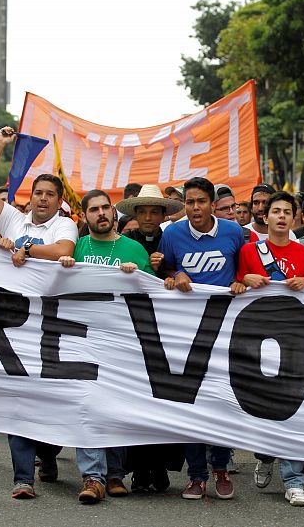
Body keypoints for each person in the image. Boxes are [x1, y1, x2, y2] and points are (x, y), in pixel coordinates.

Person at [0, 127, 78, 499]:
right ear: (29, 198)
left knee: (52, 401)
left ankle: (47, 453)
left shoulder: (64, 224)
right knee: (20, 400)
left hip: (53, 327)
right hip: (15, 324)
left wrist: (26, 251)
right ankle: (22, 478)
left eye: (50, 194)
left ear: (59, 200)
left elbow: (62, 249)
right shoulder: (15, 221)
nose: (43, 199)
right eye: (38, 194)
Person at [59, 189, 154, 504]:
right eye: (93, 210)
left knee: (113, 408)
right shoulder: (78, 247)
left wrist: (138, 275)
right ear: (84, 216)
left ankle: (114, 473)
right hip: (81, 342)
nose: (100, 214)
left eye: (104, 208)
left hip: (121, 344)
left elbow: (156, 296)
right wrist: (63, 269)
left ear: (113, 213)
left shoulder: (134, 249)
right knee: (86, 405)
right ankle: (93, 477)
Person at [156, 176, 244, 500]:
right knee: (189, 404)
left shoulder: (234, 232)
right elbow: (161, 272)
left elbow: (242, 270)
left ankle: (220, 467)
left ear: (212, 204)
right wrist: (174, 273)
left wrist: (238, 283)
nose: (195, 208)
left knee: (220, 402)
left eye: (201, 201)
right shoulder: (173, 234)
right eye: (189, 202)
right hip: (184, 333)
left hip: (223, 332)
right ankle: (196, 475)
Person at [231, 191, 304, 507]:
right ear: (265, 217)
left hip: (292, 339)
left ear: (294, 217)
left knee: (291, 410)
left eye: (286, 211)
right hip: (258, 339)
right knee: (265, 408)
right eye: (274, 211)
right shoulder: (250, 250)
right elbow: (236, 287)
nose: (280, 216)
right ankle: (265, 455)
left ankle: (294, 481)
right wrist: (244, 279)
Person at [115, 184, 185, 492]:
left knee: (164, 401)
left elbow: (182, 272)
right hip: (132, 330)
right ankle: (138, 469)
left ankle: (160, 467)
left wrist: (167, 273)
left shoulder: (171, 240)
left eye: (153, 211)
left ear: (161, 214)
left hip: (167, 331)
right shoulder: (125, 242)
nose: (147, 217)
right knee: (136, 401)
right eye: (141, 211)